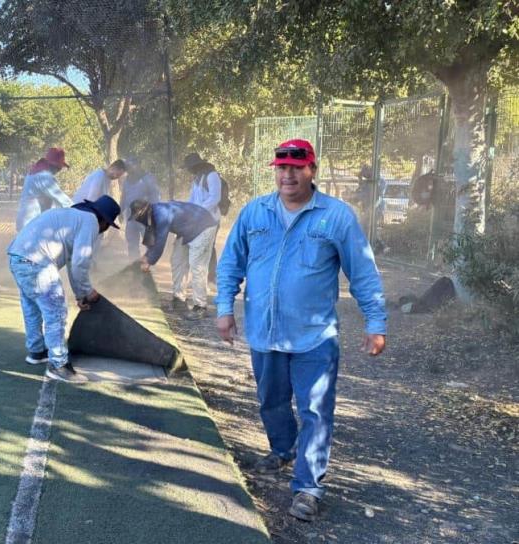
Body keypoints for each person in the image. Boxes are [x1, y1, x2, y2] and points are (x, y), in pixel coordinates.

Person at [215, 139, 387, 522]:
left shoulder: (336, 217)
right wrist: (224, 308)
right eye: (281, 167)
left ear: (312, 170)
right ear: (274, 170)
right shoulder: (254, 213)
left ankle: (308, 487)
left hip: (314, 336)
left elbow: (363, 273)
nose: (288, 174)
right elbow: (230, 264)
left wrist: (376, 323)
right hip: (265, 332)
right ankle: (282, 449)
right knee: (271, 401)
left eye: (297, 167)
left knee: (315, 409)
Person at [7, 195, 122, 383]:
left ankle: (36, 351)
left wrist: (80, 294)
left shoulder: (73, 217)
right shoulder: (90, 221)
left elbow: (71, 262)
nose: (103, 231)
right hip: (37, 262)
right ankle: (59, 365)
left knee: (32, 307)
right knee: (56, 312)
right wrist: (87, 291)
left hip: (17, 257)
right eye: (107, 226)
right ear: (104, 221)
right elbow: (80, 261)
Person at [129, 200, 218, 312]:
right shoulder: (151, 215)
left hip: (204, 226)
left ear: (143, 212)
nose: (138, 220)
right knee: (177, 261)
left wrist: (149, 261)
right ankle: (179, 299)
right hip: (188, 229)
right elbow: (152, 239)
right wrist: (146, 257)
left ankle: (200, 306)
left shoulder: (161, 214)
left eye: (138, 217)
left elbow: (160, 241)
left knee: (197, 266)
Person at [184, 152, 223, 299]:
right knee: (199, 250)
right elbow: (192, 198)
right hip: (198, 219)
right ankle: (200, 281)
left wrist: (199, 210)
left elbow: (215, 198)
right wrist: (186, 211)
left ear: (196, 165)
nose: (189, 170)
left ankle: (211, 279)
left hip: (211, 219)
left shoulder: (212, 176)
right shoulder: (197, 178)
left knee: (208, 248)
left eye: (190, 167)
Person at [15, 147, 73, 231]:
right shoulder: (43, 176)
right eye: (59, 167)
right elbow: (62, 200)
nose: (59, 170)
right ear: (54, 165)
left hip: (26, 221)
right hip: (31, 224)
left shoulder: (35, 171)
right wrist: (81, 210)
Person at [119, 157, 161, 260]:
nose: (128, 169)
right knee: (132, 244)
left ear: (138, 165)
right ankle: (135, 267)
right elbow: (124, 196)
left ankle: (149, 265)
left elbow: (155, 196)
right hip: (130, 217)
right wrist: (120, 211)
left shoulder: (148, 178)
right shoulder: (126, 180)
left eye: (130, 166)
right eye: (127, 167)